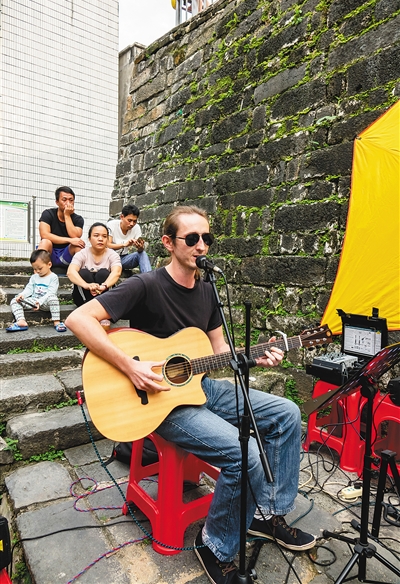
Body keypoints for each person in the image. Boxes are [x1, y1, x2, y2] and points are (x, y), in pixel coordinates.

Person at [65, 205, 316, 584]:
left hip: (200, 387)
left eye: (207, 238)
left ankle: (267, 513)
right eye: (193, 238)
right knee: (245, 455)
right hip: (159, 402)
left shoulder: (209, 291)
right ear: (168, 243)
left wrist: (255, 356)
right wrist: (130, 366)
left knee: (287, 414)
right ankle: (214, 545)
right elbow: (78, 319)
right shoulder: (146, 285)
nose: (202, 245)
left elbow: (218, 352)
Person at [67, 222, 122, 329]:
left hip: (105, 298)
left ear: (107, 239)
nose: (100, 239)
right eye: (96, 235)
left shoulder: (113, 255)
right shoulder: (82, 254)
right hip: (83, 298)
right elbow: (71, 272)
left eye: (104, 236)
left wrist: (104, 286)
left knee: (103, 273)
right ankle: (90, 311)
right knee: (83, 273)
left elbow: (117, 272)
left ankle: (103, 312)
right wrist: (87, 285)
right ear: (89, 238)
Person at [6, 249, 66, 333]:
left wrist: (40, 302)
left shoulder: (53, 277)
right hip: (34, 301)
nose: (37, 271)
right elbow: (29, 289)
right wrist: (22, 295)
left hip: (46, 303)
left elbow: (51, 293)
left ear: (49, 264)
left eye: (40, 268)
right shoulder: (34, 277)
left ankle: (56, 322)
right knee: (14, 301)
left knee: (53, 298)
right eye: (35, 269)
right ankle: (21, 321)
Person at [38, 186, 85, 269]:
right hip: (50, 253)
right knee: (45, 242)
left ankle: (78, 273)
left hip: (67, 255)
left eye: (71, 200)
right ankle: (38, 272)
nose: (68, 203)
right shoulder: (48, 214)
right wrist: (69, 240)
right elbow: (44, 235)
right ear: (57, 202)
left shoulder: (78, 219)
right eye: (64, 200)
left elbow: (75, 236)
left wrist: (67, 215)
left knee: (78, 246)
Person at [107, 204, 151, 274]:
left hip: (124, 259)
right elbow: (107, 245)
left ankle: (148, 278)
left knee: (142, 253)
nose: (132, 224)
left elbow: (140, 250)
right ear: (122, 217)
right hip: (110, 258)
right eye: (129, 220)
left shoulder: (136, 228)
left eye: (134, 221)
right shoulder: (111, 225)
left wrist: (140, 247)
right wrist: (124, 244)